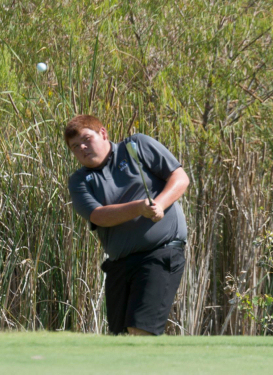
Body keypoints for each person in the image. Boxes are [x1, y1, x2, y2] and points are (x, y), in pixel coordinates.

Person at [64, 115, 189, 335]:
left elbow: (179, 177)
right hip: (120, 265)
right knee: (120, 339)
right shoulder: (79, 180)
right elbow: (98, 216)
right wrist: (139, 207)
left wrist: (159, 204)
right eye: (75, 146)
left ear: (103, 133)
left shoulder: (137, 146)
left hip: (160, 254)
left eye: (86, 139)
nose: (82, 148)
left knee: (140, 329)